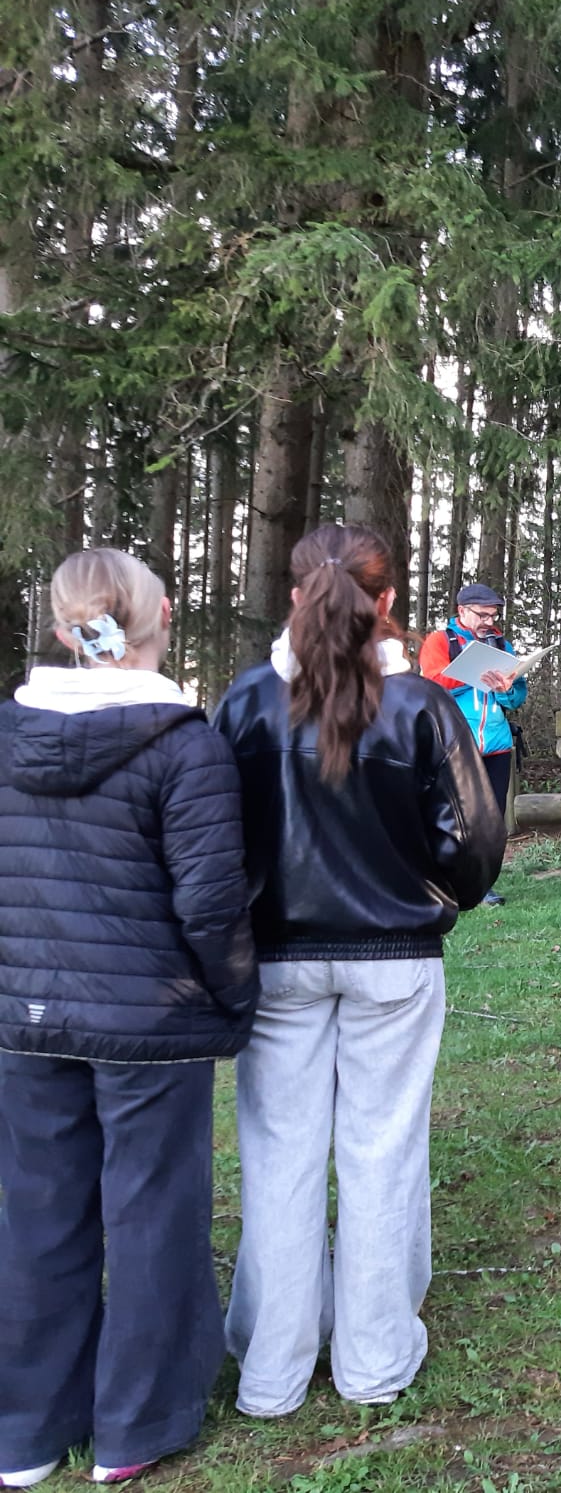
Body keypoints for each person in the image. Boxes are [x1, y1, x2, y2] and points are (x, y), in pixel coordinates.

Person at [214, 525, 505, 1420]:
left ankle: (272, 1368)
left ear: (296, 594)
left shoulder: (248, 703)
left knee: (279, 1153)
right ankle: (374, 1358)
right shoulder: (419, 705)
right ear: (387, 602)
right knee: (383, 1150)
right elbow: (475, 847)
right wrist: (428, 890)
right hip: (394, 960)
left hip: (278, 961)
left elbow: (210, 839)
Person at [0, 551, 257, 1490]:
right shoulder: (185, 743)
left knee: (36, 1214)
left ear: (63, 628)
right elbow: (212, 903)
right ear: (164, 615)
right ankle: (136, 1419)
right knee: (152, 1210)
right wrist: (234, 998)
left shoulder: (8, 734)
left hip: (25, 1016)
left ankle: (26, 1430)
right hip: (150, 1018)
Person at [418, 580, 524, 904]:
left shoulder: (502, 645)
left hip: (497, 744)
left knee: (492, 821)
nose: (489, 622)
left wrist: (506, 689)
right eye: (482, 615)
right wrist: (473, 673)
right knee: (453, 817)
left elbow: (517, 697)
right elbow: (430, 682)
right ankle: (441, 883)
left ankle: (482, 885)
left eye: (493, 616)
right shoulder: (440, 641)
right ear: (462, 611)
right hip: (454, 745)